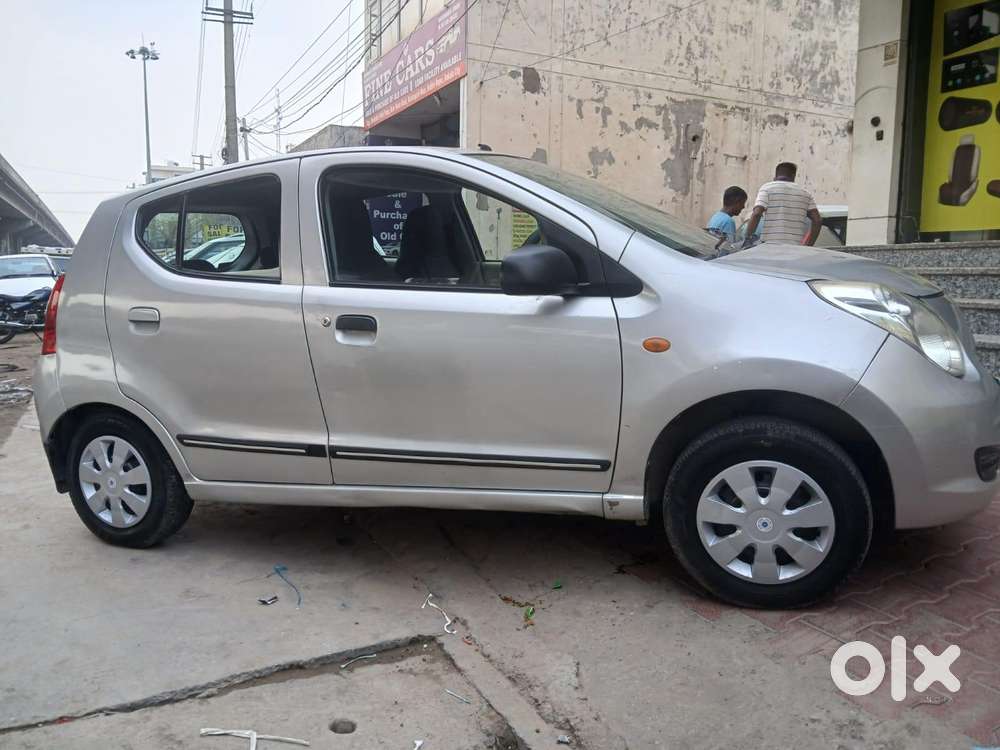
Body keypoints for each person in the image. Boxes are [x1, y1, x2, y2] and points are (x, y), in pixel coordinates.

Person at [744, 162, 822, 246]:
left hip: (770, 247)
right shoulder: (805, 193)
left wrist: (748, 238)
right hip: (795, 248)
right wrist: (809, 245)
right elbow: (817, 220)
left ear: (776, 175)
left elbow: (757, 213)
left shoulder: (767, 188)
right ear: (793, 176)